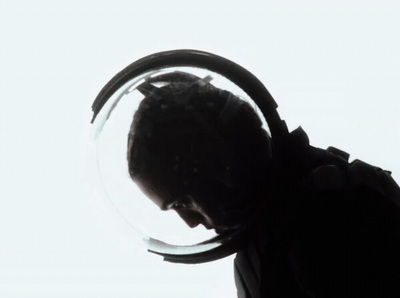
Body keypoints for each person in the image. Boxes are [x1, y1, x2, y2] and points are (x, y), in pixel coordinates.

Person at [127, 72, 400, 298]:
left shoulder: (327, 221)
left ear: (219, 164)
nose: (189, 222)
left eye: (182, 201)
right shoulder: (287, 219)